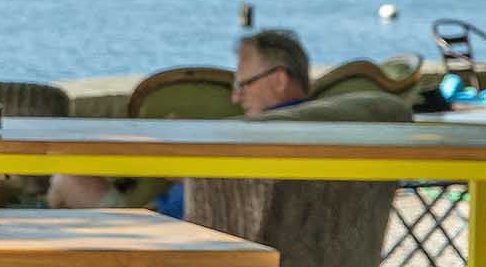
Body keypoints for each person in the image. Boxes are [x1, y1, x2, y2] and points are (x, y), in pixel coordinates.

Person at [48, 29, 313, 216]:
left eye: (244, 85)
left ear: (279, 80)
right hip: (174, 225)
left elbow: (230, 180)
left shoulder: (272, 134)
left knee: (66, 181)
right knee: (64, 184)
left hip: (169, 237)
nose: (235, 97)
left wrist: (177, 147)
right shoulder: (310, 128)